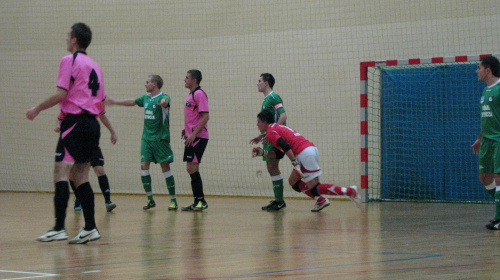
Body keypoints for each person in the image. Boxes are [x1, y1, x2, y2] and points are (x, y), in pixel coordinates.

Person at [26, 23, 104, 244]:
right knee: (80, 175)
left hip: (76, 122)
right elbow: (99, 100)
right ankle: (90, 227)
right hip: (92, 124)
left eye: (68, 35)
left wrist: (37, 109)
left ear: (74, 40)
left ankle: (59, 227)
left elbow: (62, 93)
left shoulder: (68, 60)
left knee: (60, 172)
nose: (66, 38)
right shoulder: (95, 66)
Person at [252, 110, 361, 212]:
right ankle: (320, 200)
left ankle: (350, 191)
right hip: (308, 150)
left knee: (315, 188)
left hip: (304, 154)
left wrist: (294, 163)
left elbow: (284, 145)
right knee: (293, 181)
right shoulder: (275, 128)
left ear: (265, 122)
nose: (257, 124)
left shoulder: (271, 132)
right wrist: (262, 153)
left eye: (258, 122)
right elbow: (280, 153)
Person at [106, 75, 177, 211]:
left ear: (155, 84)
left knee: (165, 167)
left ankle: (173, 199)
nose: (145, 84)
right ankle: (150, 199)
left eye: (147, 82)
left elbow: (166, 101)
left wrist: (163, 103)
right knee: (144, 166)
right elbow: (132, 102)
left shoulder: (164, 97)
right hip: (146, 139)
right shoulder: (145, 98)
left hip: (161, 139)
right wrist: (115, 102)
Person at [55, 113, 118, 212]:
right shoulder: (70, 105)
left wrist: (112, 132)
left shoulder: (93, 104)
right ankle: (78, 198)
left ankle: (108, 201)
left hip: (93, 146)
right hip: (76, 145)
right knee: (73, 174)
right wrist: (58, 124)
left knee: (99, 170)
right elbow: (61, 117)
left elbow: (102, 116)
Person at [249, 73, 288, 211]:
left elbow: (283, 115)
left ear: (266, 83)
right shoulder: (266, 100)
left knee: (273, 165)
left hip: (275, 137)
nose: (257, 83)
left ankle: (280, 201)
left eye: (259, 81)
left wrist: (273, 133)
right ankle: (278, 200)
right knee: (270, 167)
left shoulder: (273, 97)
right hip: (270, 136)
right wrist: (261, 135)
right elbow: (268, 122)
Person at [471, 55, 500, 230]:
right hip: (487, 141)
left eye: (479, 68)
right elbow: (488, 119)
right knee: (485, 177)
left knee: (498, 177)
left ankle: (498, 217)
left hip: (498, 141)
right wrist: (480, 139)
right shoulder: (486, 91)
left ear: (487, 70)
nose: (477, 71)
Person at [181, 69, 210, 211]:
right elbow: (193, 116)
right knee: (190, 168)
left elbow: (205, 117)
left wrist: (193, 134)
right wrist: (185, 130)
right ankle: (198, 200)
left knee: (192, 167)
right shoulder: (191, 94)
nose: (184, 80)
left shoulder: (199, 94)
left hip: (198, 137)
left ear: (194, 81)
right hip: (190, 136)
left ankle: (201, 201)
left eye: (187, 78)